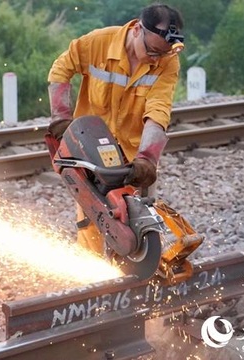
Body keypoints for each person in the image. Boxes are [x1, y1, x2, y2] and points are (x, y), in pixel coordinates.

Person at [46, 3, 185, 255]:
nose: (156, 58)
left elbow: (158, 111)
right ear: (137, 29)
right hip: (89, 147)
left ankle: (137, 272)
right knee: (92, 217)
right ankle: (93, 273)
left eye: (161, 54)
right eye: (152, 50)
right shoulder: (98, 42)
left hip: (132, 154)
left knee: (140, 217)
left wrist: (147, 160)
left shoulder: (167, 62)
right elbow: (60, 70)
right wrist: (61, 119)